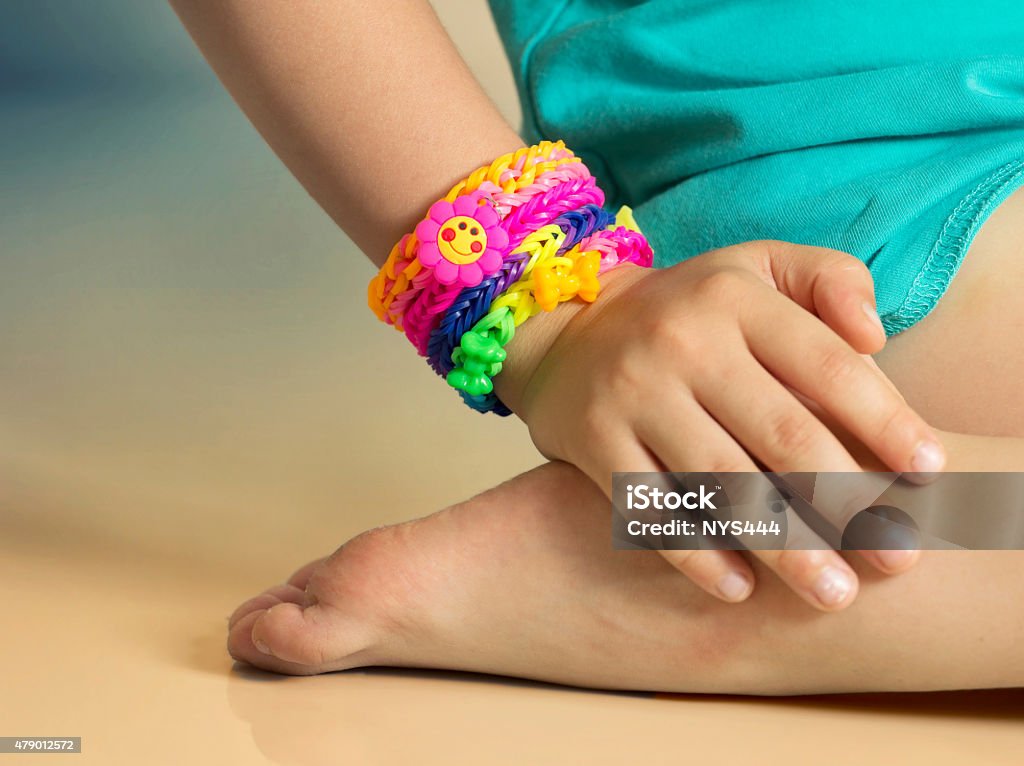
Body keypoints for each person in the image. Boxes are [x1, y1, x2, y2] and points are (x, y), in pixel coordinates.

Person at [168, 0, 1024, 692]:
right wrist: (559, 315)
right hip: (875, 223)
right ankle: (681, 542)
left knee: (994, 510)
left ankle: (675, 542)